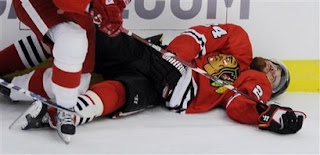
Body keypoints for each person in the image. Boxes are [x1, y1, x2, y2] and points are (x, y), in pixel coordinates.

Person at [1, 23, 305, 136]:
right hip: (157, 58)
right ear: (266, 59)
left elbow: (243, 103)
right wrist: (175, 54)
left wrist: (268, 113)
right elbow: (199, 38)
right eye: (274, 67)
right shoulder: (239, 45)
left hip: (167, 91)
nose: (273, 74)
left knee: (121, 94)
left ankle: (62, 112)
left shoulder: (241, 88)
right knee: (84, 36)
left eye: (277, 80)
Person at [0, 0, 131, 142]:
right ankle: (65, 109)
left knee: (79, 82)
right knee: (71, 39)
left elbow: (114, 5)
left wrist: (112, 15)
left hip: (80, 9)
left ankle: (10, 86)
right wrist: (92, 5)